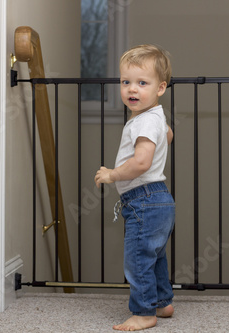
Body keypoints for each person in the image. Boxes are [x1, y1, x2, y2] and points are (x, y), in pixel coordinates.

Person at [94, 44, 175, 331]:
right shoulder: (155, 118)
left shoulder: (144, 121)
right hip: (158, 200)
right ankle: (163, 303)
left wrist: (113, 174)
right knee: (155, 256)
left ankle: (143, 313)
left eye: (143, 83)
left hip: (144, 200)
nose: (132, 89)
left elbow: (141, 163)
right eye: (126, 82)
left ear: (161, 87)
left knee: (138, 258)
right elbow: (169, 134)